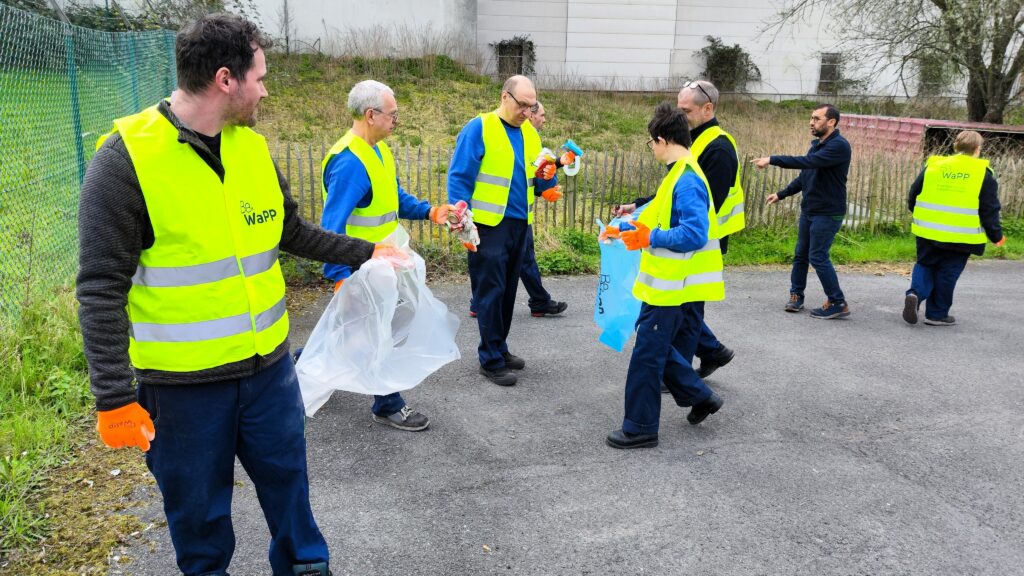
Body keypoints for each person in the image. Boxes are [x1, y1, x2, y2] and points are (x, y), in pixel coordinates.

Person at [76, 14, 388, 576]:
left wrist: (367, 253)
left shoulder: (251, 149)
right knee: (199, 522)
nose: (266, 89)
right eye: (260, 76)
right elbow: (100, 287)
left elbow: (288, 231)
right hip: (182, 392)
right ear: (226, 79)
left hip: (268, 372)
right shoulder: (125, 162)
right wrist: (114, 397)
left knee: (291, 494)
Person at [319, 80, 453, 431]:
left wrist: (430, 212)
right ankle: (388, 404)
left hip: (382, 263)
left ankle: (303, 364)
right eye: (393, 114)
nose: (397, 120)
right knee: (377, 333)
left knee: (358, 331)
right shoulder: (349, 164)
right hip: (361, 268)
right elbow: (331, 226)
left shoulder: (376, 150)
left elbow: (392, 198)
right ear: (370, 115)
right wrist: (339, 276)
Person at [604, 102, 725, 449]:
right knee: (654, 346)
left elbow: (693, 233)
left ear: (661, 139)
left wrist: (648, 238)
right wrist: (622, 229)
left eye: (651, 143)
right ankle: (701, 396)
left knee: (647, 354)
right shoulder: (679, 173)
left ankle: (640, 427)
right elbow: (658, 215)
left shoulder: (686, 179)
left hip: (673, 286)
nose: (652, 149)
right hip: (670, 284)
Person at [614, 80, 740, 379]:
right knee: (683, 311)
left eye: (687, 111)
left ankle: (681, 378)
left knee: (687, 313)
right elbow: (672, 194)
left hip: (700, 244)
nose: (680, 117)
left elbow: (705, 201)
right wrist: (640, 205)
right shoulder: (693, 141)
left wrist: (658, 233)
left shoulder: (719, 147)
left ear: (708, 108)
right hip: (687, 240)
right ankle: (710, 352)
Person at [447, 75, 559, 387]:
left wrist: (548, 181)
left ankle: (500, 346)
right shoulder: (480, 127)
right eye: (522, 104)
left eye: (531, 105)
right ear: (504, 97)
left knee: (508, 291)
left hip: (519, 225)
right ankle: (490, 358)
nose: (527, 111)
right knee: (489, 292)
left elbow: (538, 177)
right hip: (486, 225)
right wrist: (460, 216)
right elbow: (459, 176)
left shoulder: (530, 135)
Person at [469, 100, 568, 319]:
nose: (544, 119)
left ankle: (483, 303)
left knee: (517, 259)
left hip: (519, 215)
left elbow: (536, 174)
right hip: (496, 217)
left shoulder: (532, 139)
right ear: (529, 115)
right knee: (509, 261)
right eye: (541, 115)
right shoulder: (489, 129)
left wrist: (550, 180)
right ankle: (538, 301)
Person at [754, 103, 852, 319]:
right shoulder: (818, 145)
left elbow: (808, 162)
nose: (811, 122)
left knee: (817, 256)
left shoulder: (839, 147)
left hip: (827, 212)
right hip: (810, 210)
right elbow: (806, 174)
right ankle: (796, 296)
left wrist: (772, 159)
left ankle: (837, 301)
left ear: (831, 122)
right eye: (811, 118)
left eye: (816, 118)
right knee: (801, 255)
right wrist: (782, 193)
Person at [903, 130, 1005, 326]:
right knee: (947, 272)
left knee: (925, 264)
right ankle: (937, 314)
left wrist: (918, 214)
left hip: (928, 230)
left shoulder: (934, 166)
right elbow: (989, 209)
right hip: (961, 236)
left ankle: (915, 293)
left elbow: (914, 193)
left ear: (955, 146)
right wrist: (996, 236)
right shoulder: (983, 174)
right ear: (977, 149)